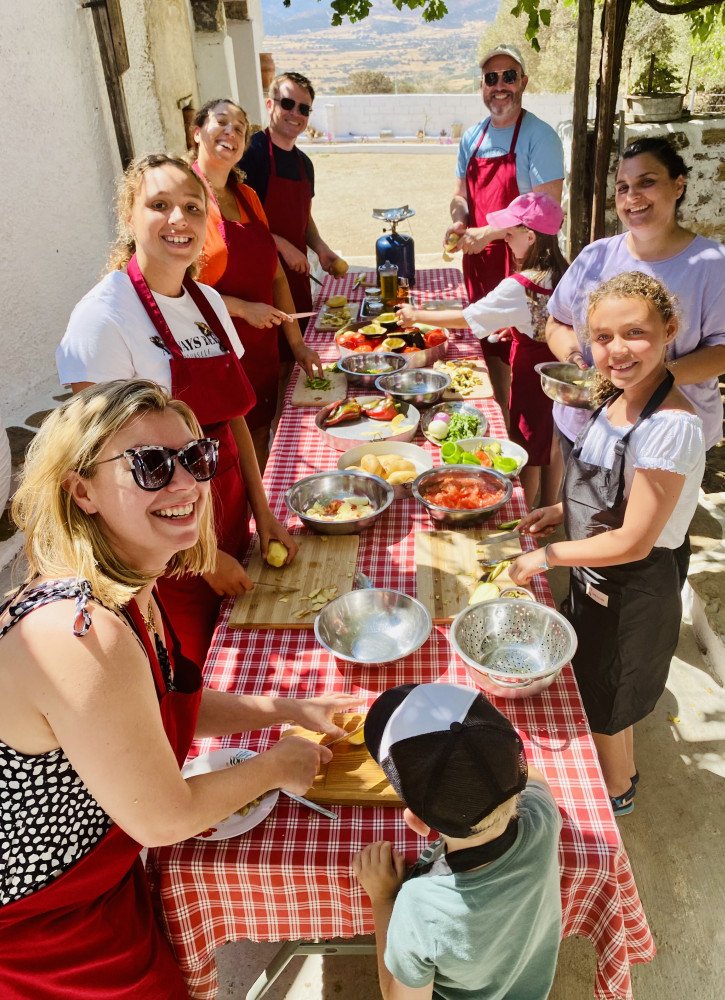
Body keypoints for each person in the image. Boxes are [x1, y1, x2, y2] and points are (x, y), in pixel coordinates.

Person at [0, 380, 354, 999]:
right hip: (42, 927)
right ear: (80, 490)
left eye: (195, 458)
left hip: (93, 883)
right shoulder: (84, 633)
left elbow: (159, 705)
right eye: (151, 465)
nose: (187, 483)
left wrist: (290, 707)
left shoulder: (127, 582)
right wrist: (277, 765)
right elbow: (165, 818)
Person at [57, 153, 296, 669]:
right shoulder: (102, 319)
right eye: (159, 204)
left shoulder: (208, 303)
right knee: (184, 680)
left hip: (225, 515)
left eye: (192, 206)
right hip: (160, 553)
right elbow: (109, 472)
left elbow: (233, 422)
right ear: (128, 217)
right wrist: (200, 559)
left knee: (247, 664)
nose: (178, 219)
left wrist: (262, 512)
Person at [510, 273, 706, 816]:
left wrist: (545, 557)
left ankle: (618, 795)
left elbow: (635, 540)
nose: (616, 350)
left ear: (669, 331)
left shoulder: (670, 426)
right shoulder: (616, 397)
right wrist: (560, 510)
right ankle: (618, 770)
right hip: (596, 574)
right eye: (602, 337)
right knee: (595, 684)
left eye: (634, 333)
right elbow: (607, 489)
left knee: (611, 699)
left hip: (632, 587)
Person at [352, 682, 562, 1000]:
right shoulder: (542, 817)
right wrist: (484, 764)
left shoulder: (421, 906)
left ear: (417, 823)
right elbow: (535, 779)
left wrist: (383, 899)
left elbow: (397, 997)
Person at [546, 136, 725, 460]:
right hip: (585, 429)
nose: (632, 196)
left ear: (678, 185)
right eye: (622, 187)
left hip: (667, 440)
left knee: (653, 513)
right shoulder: (594, 257)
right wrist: (578, 364)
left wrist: (653, 376)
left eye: (647, 182)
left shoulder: (715, 267)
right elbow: (557, 321)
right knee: (575, 510)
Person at [398, 191, 567, 507]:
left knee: (526, 447)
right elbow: (551, 317)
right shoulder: (563, 269)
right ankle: (549, 505)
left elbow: (467, 317)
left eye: (509, 234)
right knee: (555, 439)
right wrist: (520, 327)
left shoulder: (520, 284)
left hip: (533, 376)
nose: (504, 240)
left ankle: (526, 513)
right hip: (559, 370)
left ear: (530, 237)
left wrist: (415, 315)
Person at [191, 98, 323, 467]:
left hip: (260, 350)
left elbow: (276, 273)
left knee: (262, 438)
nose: (231, 131)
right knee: (220, 455)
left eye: (240, 127)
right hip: (212, 354)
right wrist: (241, 308)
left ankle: (259, 517)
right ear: (197, 132)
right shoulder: (184, 199)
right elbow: (174, 290)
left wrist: (296, 345)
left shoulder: (247, 197)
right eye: (222, 122)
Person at [446, 43, 564, 419]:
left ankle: (524, 435)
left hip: (523, 265)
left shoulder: (540, 137)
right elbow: (460, 195)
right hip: (480, 262)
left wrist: (489, 234)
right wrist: (459, 221)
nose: (500, 86)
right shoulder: (472, 137)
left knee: (520, 352)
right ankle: (499, 416)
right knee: (489, 345)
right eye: (491, 78)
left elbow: (547, 212)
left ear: (523, 82)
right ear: (481, 85)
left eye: (508, 77)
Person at [238, 73, 344, 413]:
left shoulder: (305, 164)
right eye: (287, 103)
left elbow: (304, 218)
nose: (295, 113)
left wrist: (320, 248)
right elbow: (236, 221)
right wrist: (282, 244)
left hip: (296, 282)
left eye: (304, 108)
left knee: (294, 372)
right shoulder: (250, 154)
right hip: (258, 288)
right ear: (270, 105)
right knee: (267, 381)